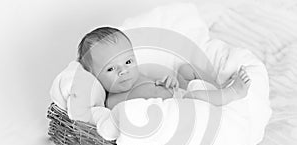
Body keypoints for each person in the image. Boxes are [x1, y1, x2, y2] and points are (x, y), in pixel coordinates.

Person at [78, 27, 251, 109]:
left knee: (186, 69)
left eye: (128, 62)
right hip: (179, 107)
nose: (123, 71)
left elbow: (154, 86)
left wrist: (168, 82)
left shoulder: (137, 77)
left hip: (177, 94)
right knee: (195, 96)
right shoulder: (112, 102)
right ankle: (232, 93)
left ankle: (218, 87)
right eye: (110, 69)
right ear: (93, 75)